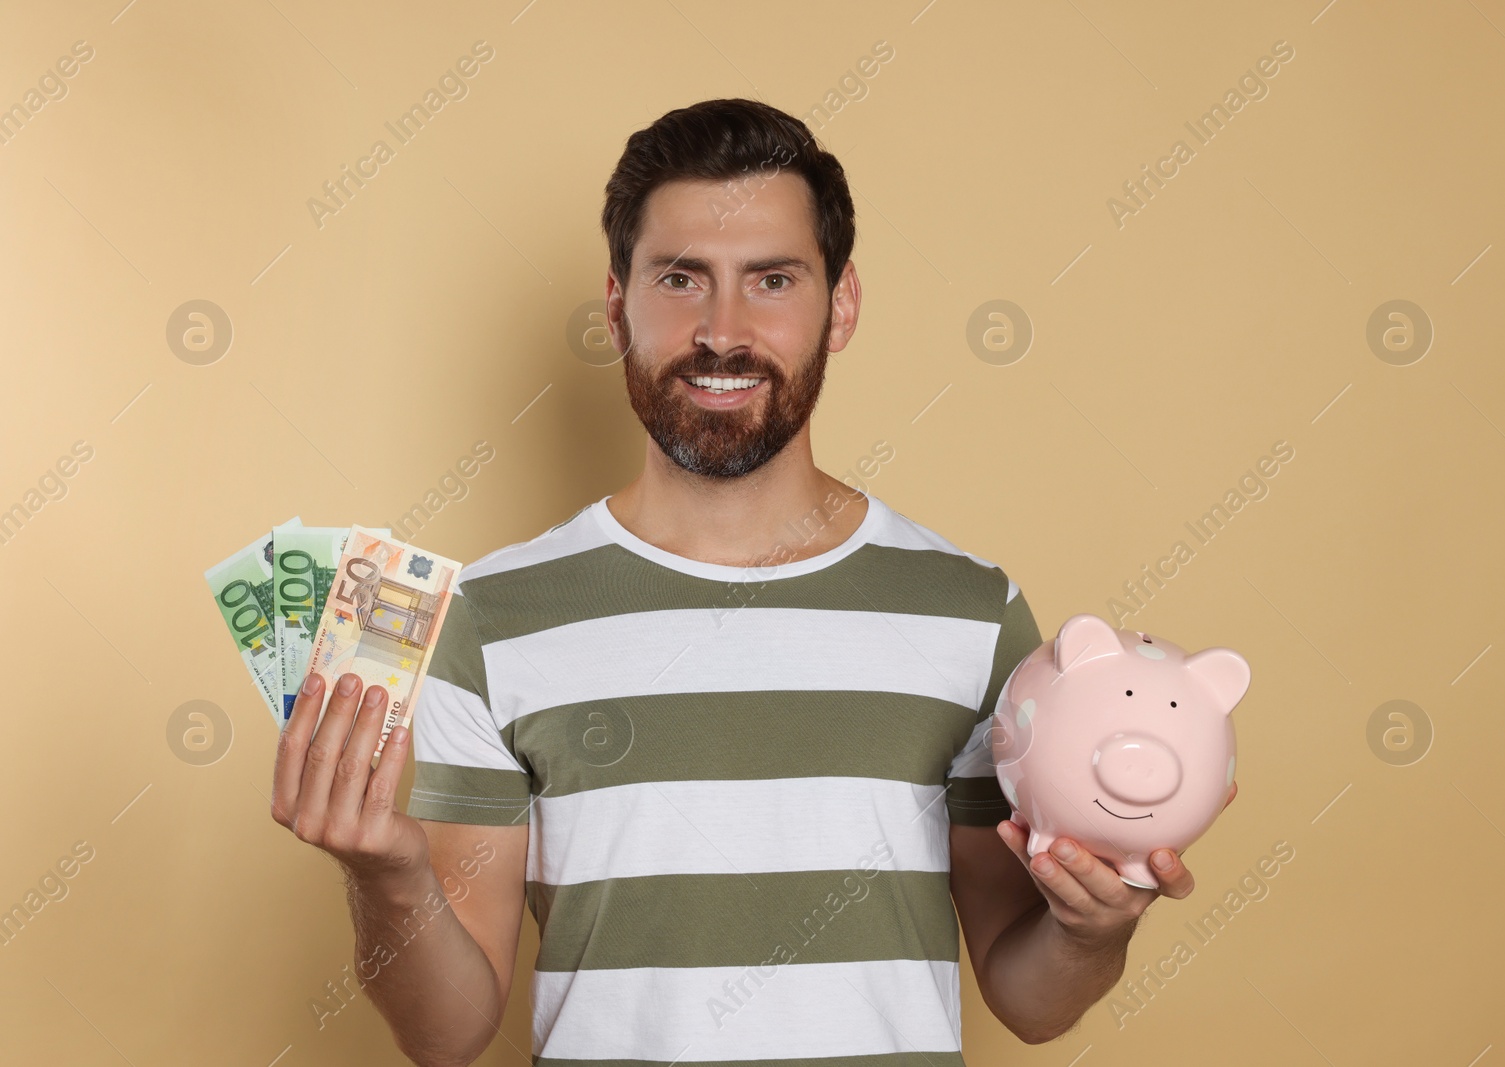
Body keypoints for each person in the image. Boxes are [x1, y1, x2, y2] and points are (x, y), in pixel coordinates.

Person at [270, 97, 1236, 1065]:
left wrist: (1091, 928)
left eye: (771, 279)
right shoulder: (492, 616)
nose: (721, 330)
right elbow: (448, 1032)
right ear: (617, 306)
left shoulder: (970, 613)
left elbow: (1027, 998)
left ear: (841, 304)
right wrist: (388, 878)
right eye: (680, 278)